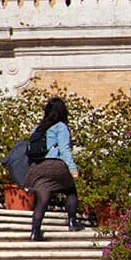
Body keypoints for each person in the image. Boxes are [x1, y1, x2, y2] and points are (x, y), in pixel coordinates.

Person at [25, 97, 81, 240]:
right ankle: (72, 222)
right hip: (55, 164)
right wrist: (72, 168)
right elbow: (64, 149)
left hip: (38, 167)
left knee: (43, 197)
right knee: (70, 190)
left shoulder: (37, 128)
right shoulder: (61, 126)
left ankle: (35, 231)